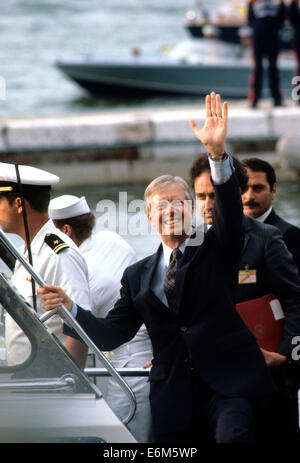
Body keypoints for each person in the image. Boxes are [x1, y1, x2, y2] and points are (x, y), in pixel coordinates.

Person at [38, 92, 276, 444]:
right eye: (160, 207)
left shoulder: (216, 247)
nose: (170, 211)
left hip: (229, 387)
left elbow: (229, 210)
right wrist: (71, 309)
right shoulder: (137, 276)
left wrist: (216, 154)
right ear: (149, 217)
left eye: (178, 204)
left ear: (191, 210)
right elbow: (110, 334)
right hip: (174, 396)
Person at [190, 153, 300, 441]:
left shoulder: (272, 237)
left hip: (265, 369)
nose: (208, 204)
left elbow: (295, 301)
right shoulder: (193, 243)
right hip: (211, 374)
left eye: (214, 195)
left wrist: (287, 354)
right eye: (200, 196)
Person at [48, 194, 153, 443]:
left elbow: (78, 331)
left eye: (48, 235)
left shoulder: (82, 264)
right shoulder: (108, 239)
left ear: (66, 230)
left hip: (125, 368)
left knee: (126, 438)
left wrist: (65, 386)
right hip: (130, 355)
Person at [0, 163, 91, 368]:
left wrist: (70, 383)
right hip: (31, 376)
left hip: (52, 382)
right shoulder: (30, 248)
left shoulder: (58, 253)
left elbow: (79, 325)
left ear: (19, 204)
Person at [242, 157, 300, 273]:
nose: (249, 196)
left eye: (258, 188)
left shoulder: (290, 235)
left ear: (273, 191)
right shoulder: (227, 234)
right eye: (243, 189)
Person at [247, 0, 285, 108]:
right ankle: (255, 99)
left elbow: (282, 17)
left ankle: (277, 98)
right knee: (257, 68)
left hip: (273, 36)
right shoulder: (253, 1)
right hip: (259, 36)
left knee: (273, 68)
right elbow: (250, 18)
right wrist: (257, 27)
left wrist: (274, 27)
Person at [288, 0, 300, 104]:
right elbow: (291, 19)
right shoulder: (295, 3)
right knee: (298, 68)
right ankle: (298, 96)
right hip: (299, 39)